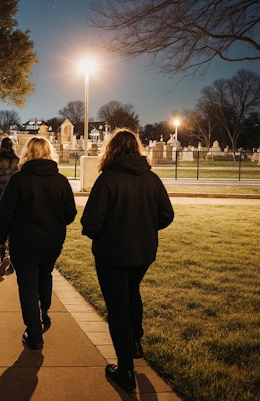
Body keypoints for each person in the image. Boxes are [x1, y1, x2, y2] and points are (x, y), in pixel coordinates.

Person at [80, 129, 174, 392]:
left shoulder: (108, 180)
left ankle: (125, 369)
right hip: (142, 252)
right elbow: (166, 215)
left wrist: (103, 233)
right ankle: (134, 341)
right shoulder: (152, 179)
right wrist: (145, 228)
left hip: (112, 253)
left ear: (111, 150)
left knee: (118, 306)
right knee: (132, 292)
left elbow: (91, 222)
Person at [0, 137, 77, 351]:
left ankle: (34, 333)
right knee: (45, 275)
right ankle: (44, 311)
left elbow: (4, 213)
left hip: (24, 240)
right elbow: (70, 214)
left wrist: (1, 239)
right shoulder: (60, 181)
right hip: (52, 239)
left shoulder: (19, 180)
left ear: (27, 153)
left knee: (28, 285)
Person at [0, 137, 19, 276]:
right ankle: (12, 257)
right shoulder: (18, 161)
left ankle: (2, 254)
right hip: (14, 197)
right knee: (13, 227)